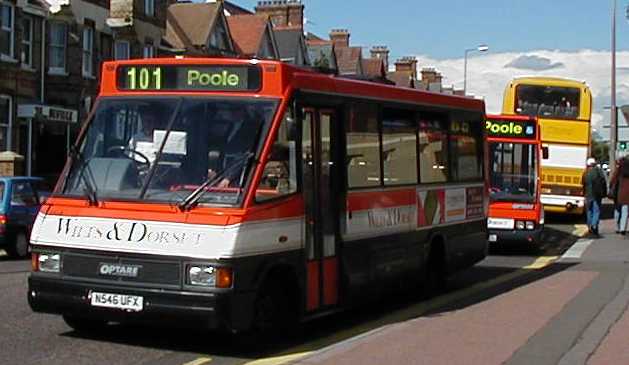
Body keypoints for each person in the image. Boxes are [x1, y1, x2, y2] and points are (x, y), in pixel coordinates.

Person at [582, 157, 607, 237]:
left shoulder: (585, 173)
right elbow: (604, 183)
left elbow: (583, 183)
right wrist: (604, 193)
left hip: (588, 195)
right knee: (596, 211)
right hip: (597, 195)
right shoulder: (599, 171)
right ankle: (594, 225)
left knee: (589, 211)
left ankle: (590, 227)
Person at [610, 157, 629, 235]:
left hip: (618, 193)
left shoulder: (619, 171)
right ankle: (622, 228)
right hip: (627, 194)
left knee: (617, 210)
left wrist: (611, 188)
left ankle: (617, 227)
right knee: (625, 211)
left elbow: (612, 181)